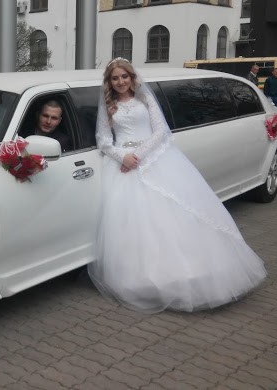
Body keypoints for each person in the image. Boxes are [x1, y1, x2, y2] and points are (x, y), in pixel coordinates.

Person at [88, 58, 266, 313]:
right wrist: (122, 157)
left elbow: (161, 131)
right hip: (123, 166)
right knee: (133, 223)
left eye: (124, 76)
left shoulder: (145, 99)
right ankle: (139, 279)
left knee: (173, 216)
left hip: (155, 160)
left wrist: (137, 156)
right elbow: (103, 140)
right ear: (109, 81)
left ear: (132, 77)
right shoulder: (108, 106)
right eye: (115, 78)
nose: (120, 82)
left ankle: (191, 274)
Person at [0, 99, 72, 151]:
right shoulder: (20, 130)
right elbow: (7, 143)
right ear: (37, 115)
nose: (48, 121)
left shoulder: (61, 141)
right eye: (45, 116)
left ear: (59, 121)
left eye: (54, 118)